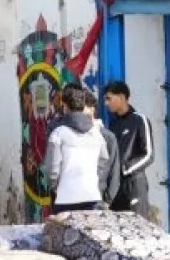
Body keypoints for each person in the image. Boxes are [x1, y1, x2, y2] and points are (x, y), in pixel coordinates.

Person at [47, 84, 114, 213]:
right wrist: (95, 184)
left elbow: (52, 169)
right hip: (92, 196)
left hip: (65, 197)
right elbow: (104, 162)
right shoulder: (97, 134)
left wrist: (56, 187)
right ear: (84, 106)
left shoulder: (58, 133)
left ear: (65, 106)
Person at [103, 80, 154, 218]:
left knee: (138, 229)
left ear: (121, 97)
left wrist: (125, 168)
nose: (106, 103)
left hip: (134, 186)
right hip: (115, 188)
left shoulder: (139, 120)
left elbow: (148, 154)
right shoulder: (112, 124)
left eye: (109, 98)